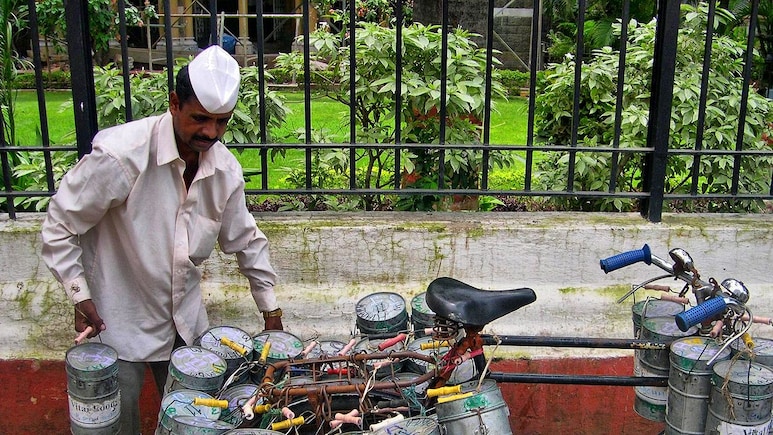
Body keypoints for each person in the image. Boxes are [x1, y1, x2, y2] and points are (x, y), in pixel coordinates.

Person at [40, 45, 283, 434]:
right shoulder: (122, 155)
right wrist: (80, 295)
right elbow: (60, 224)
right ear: (174, 103)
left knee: (195, 423)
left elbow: (247, 241)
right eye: (199, 119)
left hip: (185, 327)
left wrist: (272, 314)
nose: (210, 132)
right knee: (116, 427)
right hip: (118, 325)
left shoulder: (224, 170)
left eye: (221, 122)